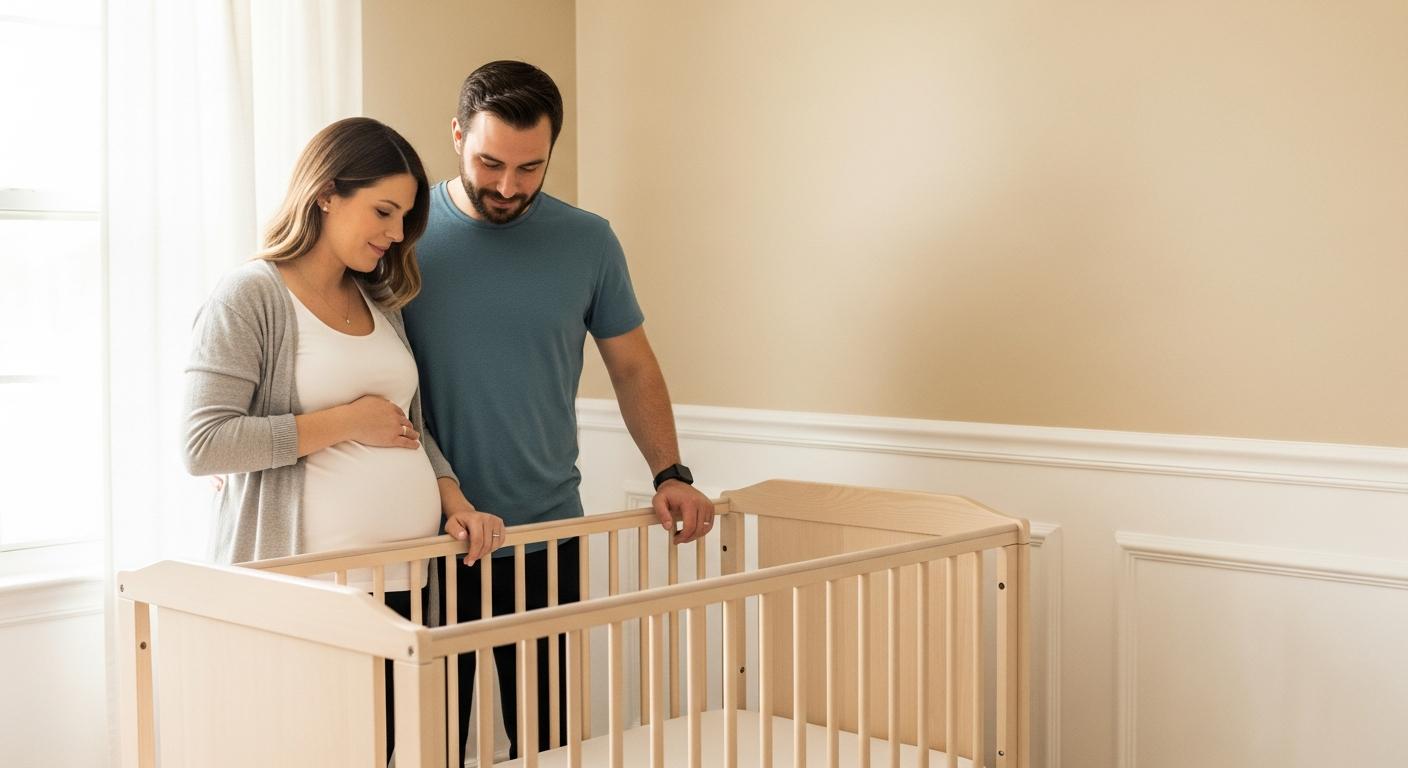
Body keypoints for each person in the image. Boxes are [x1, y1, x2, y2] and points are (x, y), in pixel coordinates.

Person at [402, 60, 715, 761]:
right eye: (490, 162)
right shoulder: (401, 233)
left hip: (543, 536)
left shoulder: (589, 241)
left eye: (528, 168)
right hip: (423, 538)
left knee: (547, 743)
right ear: (456, 135)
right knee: (427, 744)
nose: (508, 187)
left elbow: (632, 366)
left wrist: (670, 470)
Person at [180, 116, 504, 761]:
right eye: (383, 211)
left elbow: (412, 426)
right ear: (326, 193)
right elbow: (205, 443)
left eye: (404, 218)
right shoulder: (250, 295)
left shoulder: (380, 301)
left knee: (389, 749)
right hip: (314, 587)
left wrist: (455, 500)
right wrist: (346, 423)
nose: (394, 233)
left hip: (404, 581)